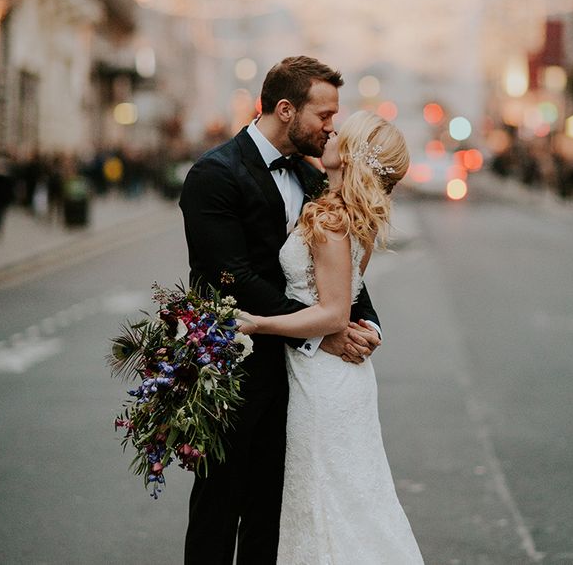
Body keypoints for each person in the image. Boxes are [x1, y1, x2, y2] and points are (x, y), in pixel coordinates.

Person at [179, 56, 382, 564]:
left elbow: (339, 268)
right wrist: (322, 332)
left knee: (273, 512)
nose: (332, 126)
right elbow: (234, 280)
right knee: (219, 506)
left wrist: (365, 321)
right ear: (286, 109)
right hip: (236, 371)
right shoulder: (214, 174)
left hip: (300, 380)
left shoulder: (314, 177)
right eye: (325, 115)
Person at [238, 111, 424, 564]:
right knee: (345, 498)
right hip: (332, 377)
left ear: (354, 154)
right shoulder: (349, 214)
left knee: (330, 498)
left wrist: (259, 323)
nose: (331, 132)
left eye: (343, 132)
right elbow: (343, 304)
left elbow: (334, 313)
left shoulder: (333, 218)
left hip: (324, 382)